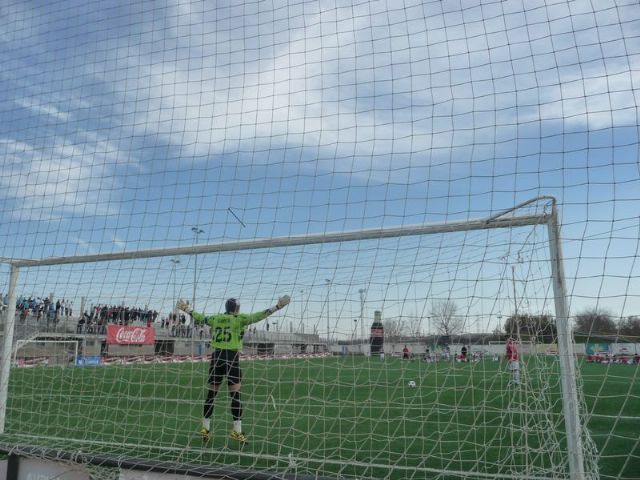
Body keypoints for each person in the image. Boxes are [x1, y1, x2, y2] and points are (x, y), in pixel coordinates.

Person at [177, 295, 291, 444]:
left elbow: (200, 317)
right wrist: (277, 307)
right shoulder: (239, 319)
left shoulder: (215, 319)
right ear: (236, 309)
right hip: (231, 358)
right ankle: (237, 431)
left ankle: (205, 428)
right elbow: (258, 316)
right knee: (235, 395)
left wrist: (186, 309)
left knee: (211, 394)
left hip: (216, 357)